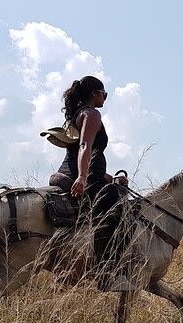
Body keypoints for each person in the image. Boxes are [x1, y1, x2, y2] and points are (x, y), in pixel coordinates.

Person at [47, 76, 133, 290]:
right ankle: (108, 273)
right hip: (82, 177)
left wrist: (108, 178)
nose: (105, 98)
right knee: (122, 212)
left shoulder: (77, 114)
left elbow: (83, 152)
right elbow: (85, 146)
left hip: (76, 173)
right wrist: (83, 178)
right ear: (95, 93)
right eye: (104, 93)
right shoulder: (92, 114)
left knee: (116, 190)